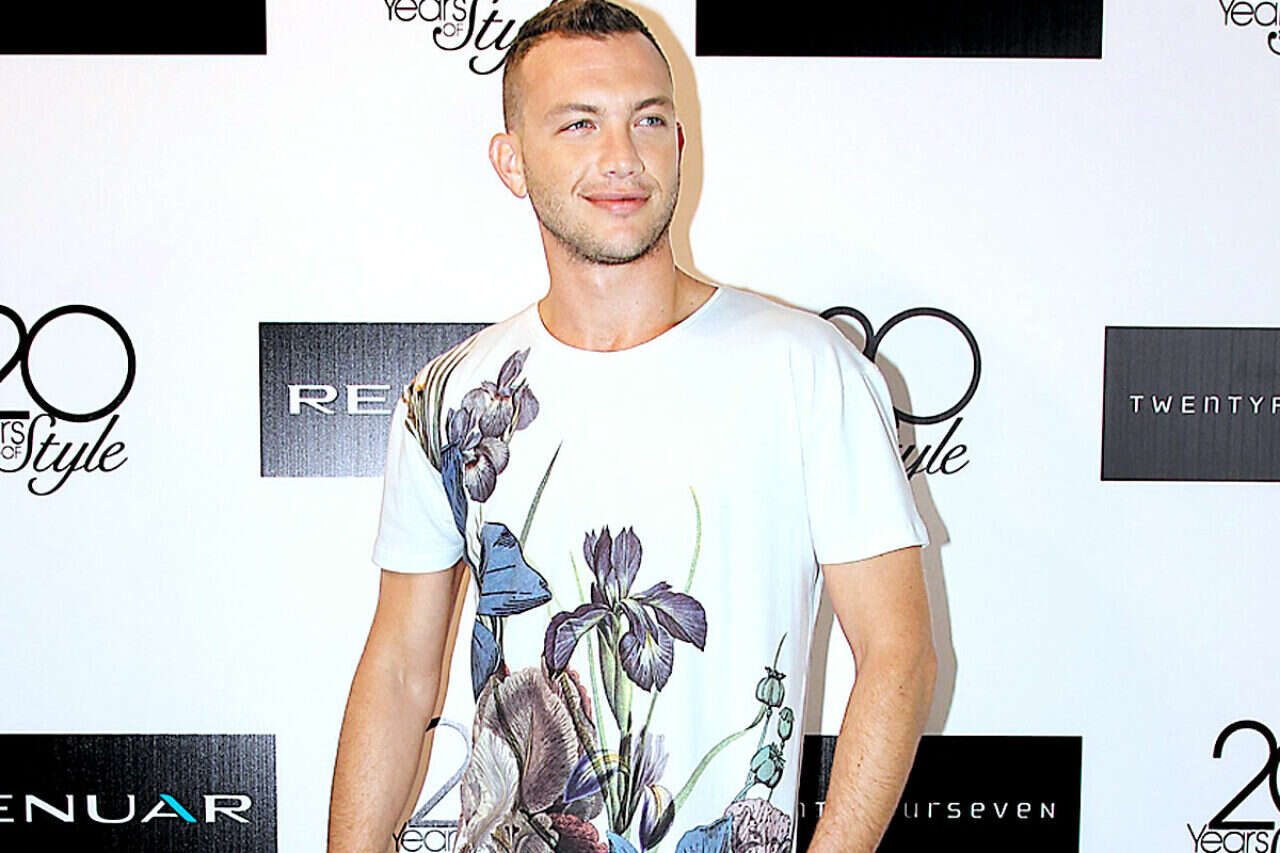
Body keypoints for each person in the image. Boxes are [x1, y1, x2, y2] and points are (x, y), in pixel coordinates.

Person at [327, 2, 937, 852]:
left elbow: (899, 656)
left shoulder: (805, 370)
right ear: (511, 160)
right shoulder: (453, 395)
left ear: (680, 142)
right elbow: (398, 670)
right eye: (579, 124)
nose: (622, 156)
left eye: (647, 119)